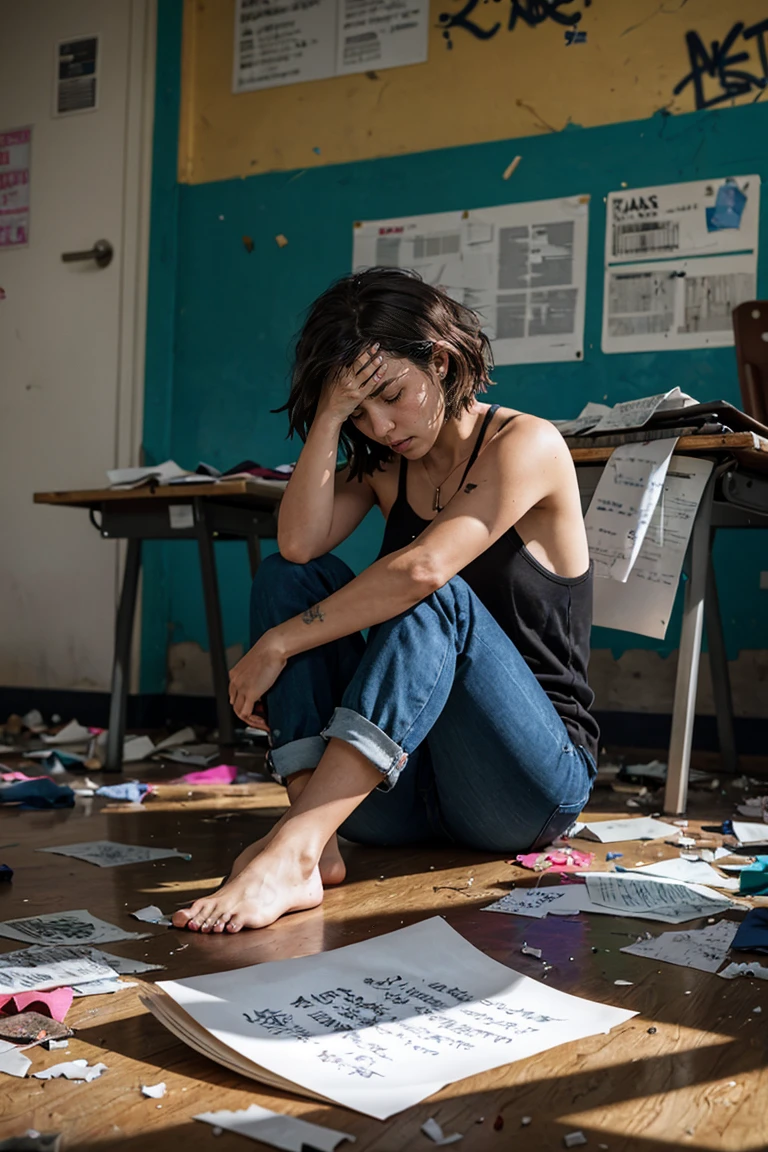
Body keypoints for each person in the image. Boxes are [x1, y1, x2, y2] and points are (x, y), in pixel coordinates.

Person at [172, 267, 599, 935]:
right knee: (285, 580)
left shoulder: (527, 444)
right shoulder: (383, 464)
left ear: (442, 358)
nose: (382, 427)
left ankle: (295, 844)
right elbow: (298, 543)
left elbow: (425, 568)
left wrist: (281, 643)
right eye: (360, 413)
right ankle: (317, 848)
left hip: (525, 790)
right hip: (400, 785)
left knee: (435, 593)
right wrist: (330, 415)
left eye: (391, 396)